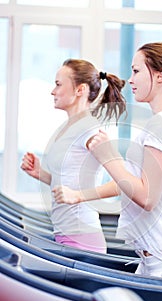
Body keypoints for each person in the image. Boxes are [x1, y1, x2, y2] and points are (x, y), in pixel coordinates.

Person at [53, 42, 162, 280]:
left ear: (160, 76)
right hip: (158, 262)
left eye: (136, 71)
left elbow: (147, 197)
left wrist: (109, 156)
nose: (130, 79)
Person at [21, 58, 126, 253]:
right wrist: (40, 173)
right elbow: (69, 183)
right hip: (65, 235)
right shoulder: (70, 127)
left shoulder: (88, 129)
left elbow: (123, 182)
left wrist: (78, 196)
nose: (53, 91)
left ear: (80, 90)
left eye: (59, 84)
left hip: (82, 241)